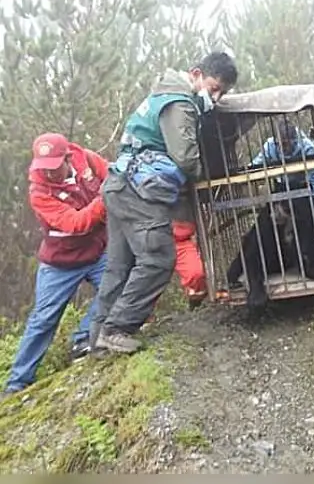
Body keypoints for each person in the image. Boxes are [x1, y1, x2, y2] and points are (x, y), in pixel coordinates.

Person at [90, 52, 238, 355]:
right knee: (157, 259)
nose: (216, 96)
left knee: (119, 266)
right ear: (196, 74)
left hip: (119, 184)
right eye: (213, 88)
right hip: (139, 192)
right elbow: (185, 156)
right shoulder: (180, 102)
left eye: (222, 92)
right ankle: (117, 329)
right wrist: (201, 174)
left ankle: (98, 339)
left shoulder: (160, 95)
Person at [4, 133, 109, 395]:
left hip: (96, 252)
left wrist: (115, 186)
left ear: (67, 157)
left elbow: (112, 176)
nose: (49, 174)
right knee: (44, 319)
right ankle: (17, 382)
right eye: (44, 168)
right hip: (60, 263)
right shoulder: (38, 192)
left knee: (118, 287)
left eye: (54, 167)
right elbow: (75, 223)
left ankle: (84, 338)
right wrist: (105, 199)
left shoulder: (86, 159)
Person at [247, 121, 314, 247]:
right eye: (279, 144)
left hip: (302, 188)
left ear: (294, 140)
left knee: (305, 227)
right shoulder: (270, 145)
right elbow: (255, 166)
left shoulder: (307, 147)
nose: (281, 148)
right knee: (268, 220)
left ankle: (307, 250)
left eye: (285, 144)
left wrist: (313, 201)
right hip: (281, 188)